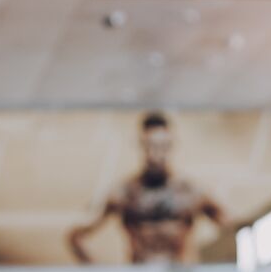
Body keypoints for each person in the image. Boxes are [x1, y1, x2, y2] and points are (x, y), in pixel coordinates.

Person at [66, 112, 225, 263]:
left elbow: (232, 229)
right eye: (150, 146)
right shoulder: (125, 192)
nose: (156, 154)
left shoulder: (191, 191)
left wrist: (217, 271)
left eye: (162, 146)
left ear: (171, 146)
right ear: (142, 146)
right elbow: (76, 236)